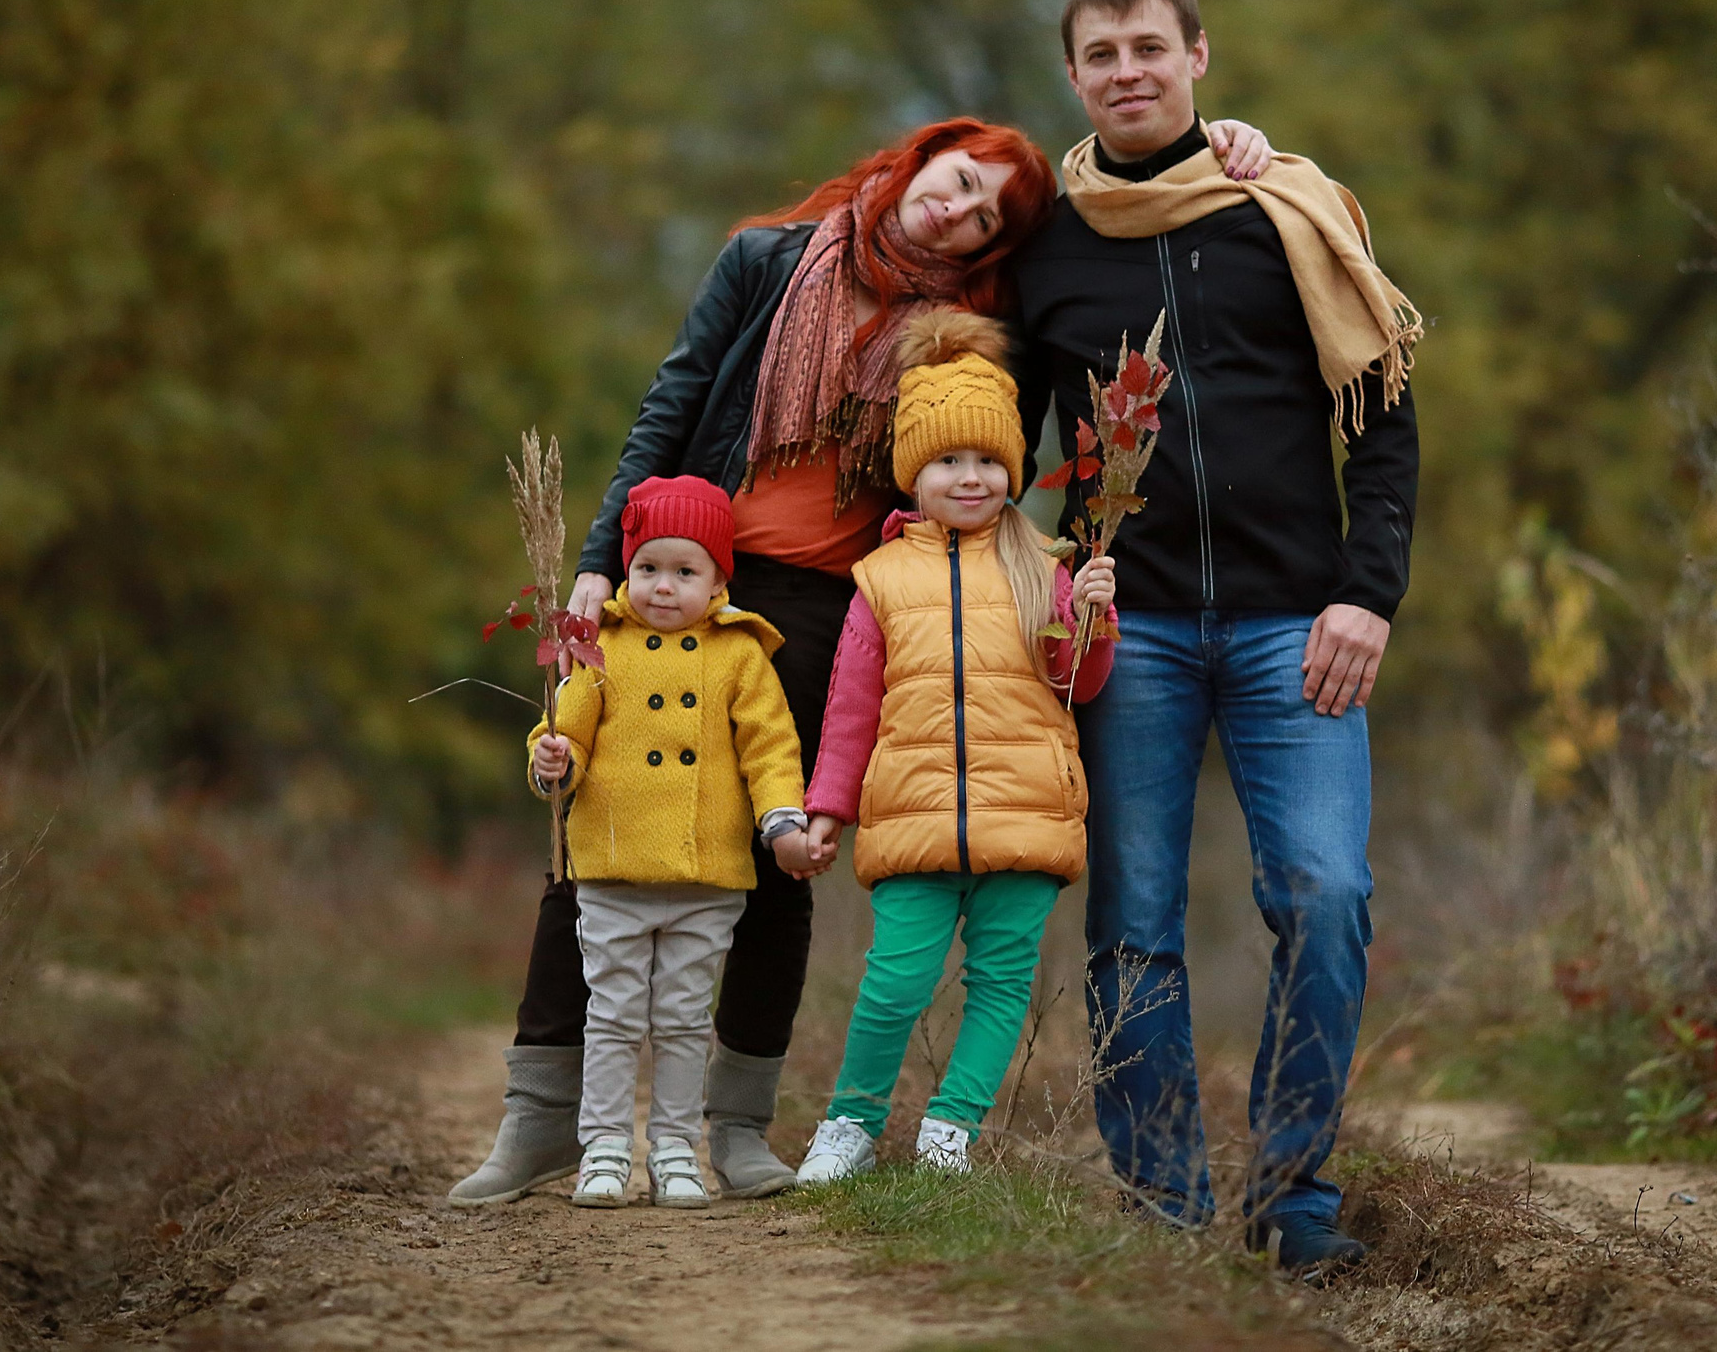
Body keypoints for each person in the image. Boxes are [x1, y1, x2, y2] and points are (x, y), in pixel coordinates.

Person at [450, 113, 1272, 1207]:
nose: (960, 211)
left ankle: (736, 1126)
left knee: (774, 850)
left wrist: (1222, 147)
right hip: (689, 578)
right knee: (597, 836)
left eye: (987, 220)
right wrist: (604, 561)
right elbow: (672, 407)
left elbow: (993, 465)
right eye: (962, 180)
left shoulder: (972, 332)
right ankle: (542, 1116)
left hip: (835, 601)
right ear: (921, 156)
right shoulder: (767, 260)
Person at [1011, 0, 1422, 1279]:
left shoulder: (1284, 210)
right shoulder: (1045, 248)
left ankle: (1294, 1202)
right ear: (1072, 76)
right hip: (1124, 635)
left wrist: (1366, 593)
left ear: (1197, 55)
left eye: (1149, 46)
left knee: (1326, 893)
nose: (1126, 71)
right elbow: (997, 440)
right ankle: (1166, 1206)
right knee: (1134, 919)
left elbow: (1383, 422)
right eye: (1101, 54)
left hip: (1296, 622)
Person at [783, 309, 1118, 1182]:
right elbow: (852, 708)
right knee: (894, 981)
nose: (970, 477)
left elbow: (1076, 683)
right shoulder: (883, 578)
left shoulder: (1044, 563)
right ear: (914, 472)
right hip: (914, 815)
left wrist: (1094, 619)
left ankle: (951, 1128)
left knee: (1002, 983)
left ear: (1012, 469)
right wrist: (828, 806)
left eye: (987, 461)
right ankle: (850, 1123)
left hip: (1025, 814)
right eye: (948, 460)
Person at [523, 475, 815, 1208]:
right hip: (615, 870)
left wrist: (781, 819)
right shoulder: (602, 648)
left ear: (718, 579)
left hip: (705, 876)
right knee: (613, 1015)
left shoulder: (740, 653)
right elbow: (566, 730)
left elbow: (771, 748)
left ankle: (677, 1149)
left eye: (685, 571)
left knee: (684, 1020)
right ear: (627, 568)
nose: (662, 586)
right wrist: (554, 758)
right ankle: (604, 1146)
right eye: (648, 567)